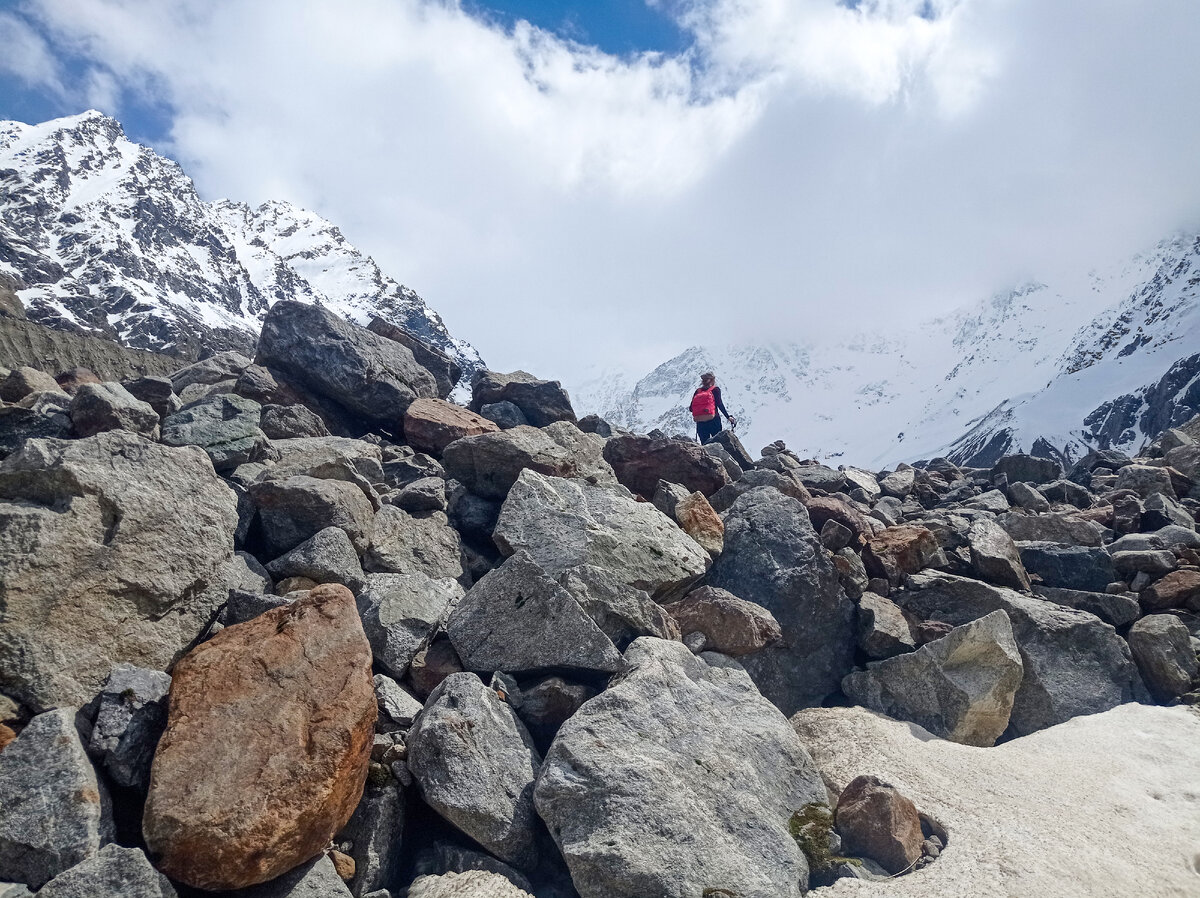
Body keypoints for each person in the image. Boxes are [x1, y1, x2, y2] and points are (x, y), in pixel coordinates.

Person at [690, 371, 736, 444]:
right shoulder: (715, 390)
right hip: (714, 420)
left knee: (705, 445)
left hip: (700, 422)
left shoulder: (698, 391)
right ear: (712, 380)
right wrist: (728, 417)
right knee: (718, 444)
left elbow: (691, 408)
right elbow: (719, 404)